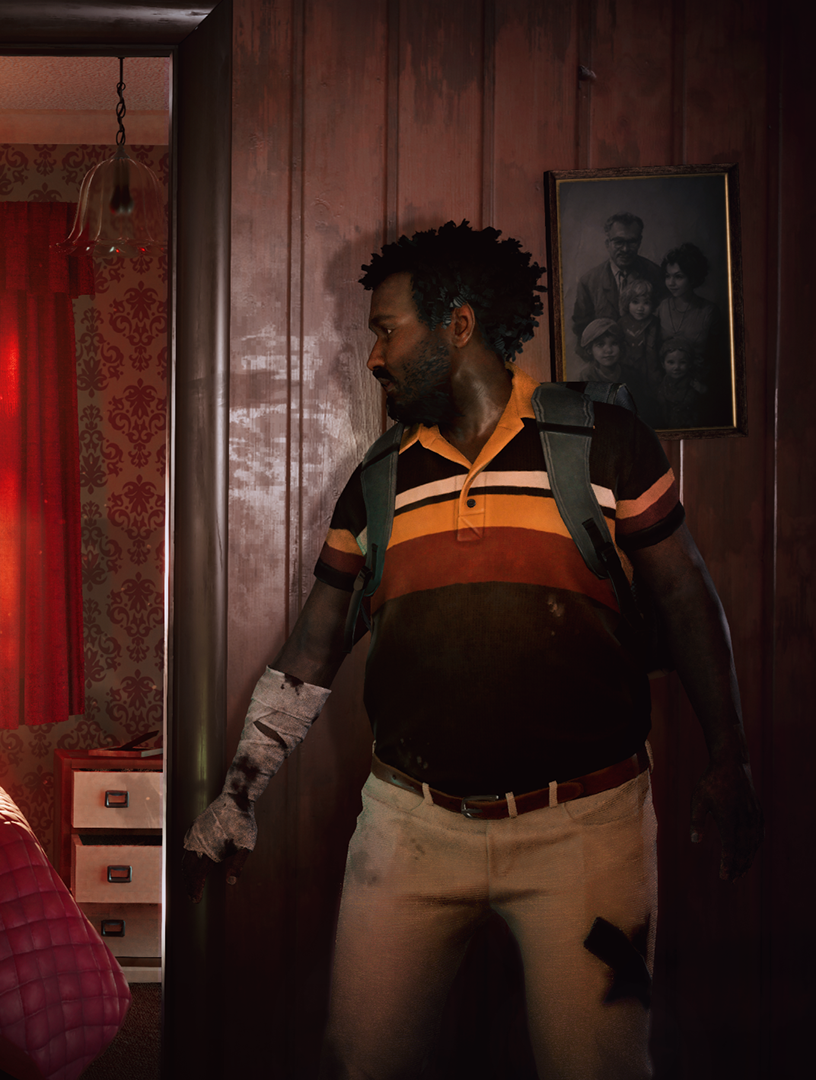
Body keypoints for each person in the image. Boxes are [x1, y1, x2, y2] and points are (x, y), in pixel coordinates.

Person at [182, 222, 763, 1080]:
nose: (374, 356)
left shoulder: (605, 444)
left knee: (598, 1068)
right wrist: (238, 792)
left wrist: (729, 758)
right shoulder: (376, 482)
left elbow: (686, 598)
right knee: (361, 1063)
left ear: (457, 325)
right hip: (409, 828)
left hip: (588, 831)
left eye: (387, 330)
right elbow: (313, 647)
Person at [569, 211, 663, 342]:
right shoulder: (588, 282)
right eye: (619, 242)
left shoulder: (656, 275)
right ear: (608, 243)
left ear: (639, 242)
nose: (625, 249)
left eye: (632, 242)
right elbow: (581, 332)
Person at [657, 242, 719, 359]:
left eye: (678, 276)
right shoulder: (662, 307)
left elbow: (716, 356)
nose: (671, 283)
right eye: (667, 276)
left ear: (692, 278)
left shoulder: (708, 311)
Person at [650, 337, 718, 431]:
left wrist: (702, 390)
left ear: (689, 364)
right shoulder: (660, 385)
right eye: (671, 362)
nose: (676, 367)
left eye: (682, 362)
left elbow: (707, 404)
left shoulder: (694, 384)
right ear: (663, 364)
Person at [617, 275, 663, 386]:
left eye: (646, 303)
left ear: (653, 304)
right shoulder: (622, 323)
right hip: (627, 369)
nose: (640, 308)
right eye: (635, 302)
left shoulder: (654, 323)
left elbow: (656, 349)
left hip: (649, 369)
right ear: (627, 303)